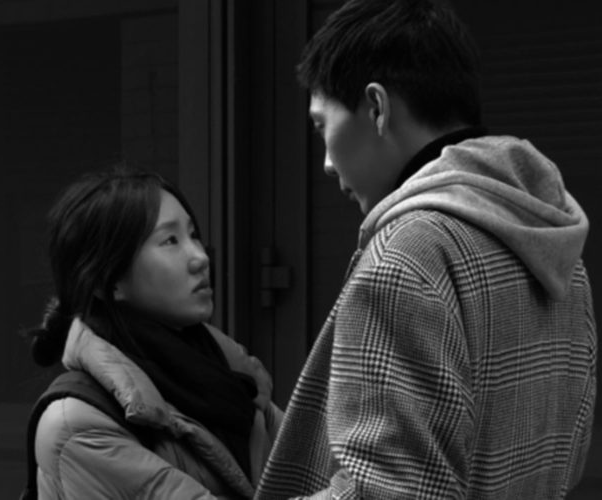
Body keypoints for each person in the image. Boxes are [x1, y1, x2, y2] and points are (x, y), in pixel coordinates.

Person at [255, 0, 597, 498]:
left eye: (322, 126)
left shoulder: (407, 257)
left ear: (377, 108)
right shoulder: (555, 247)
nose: (327, 162)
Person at [27, 165, 282, 499]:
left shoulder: (233, 374)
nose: (200, 257)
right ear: (110, 282)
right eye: (170, 241)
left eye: (193, 235)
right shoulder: (78, 425)